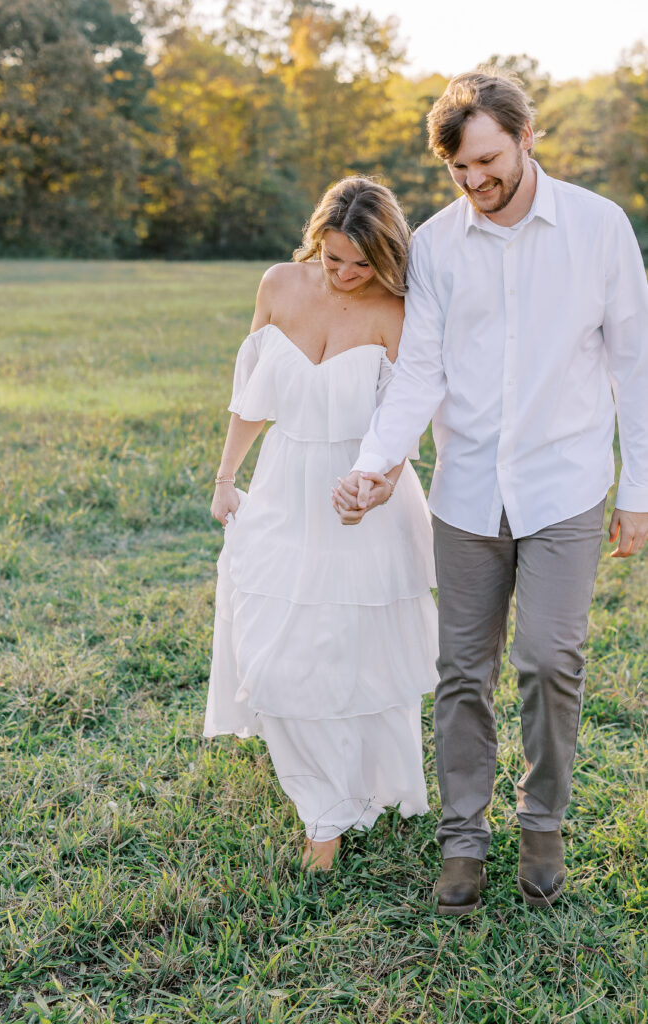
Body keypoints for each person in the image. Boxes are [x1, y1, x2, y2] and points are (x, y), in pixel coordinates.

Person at [333, 70, 648, 913]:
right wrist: (375, 461)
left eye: (485, 160)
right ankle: (462, 841)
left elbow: (634, 364)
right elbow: (419, 374)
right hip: (467, 491)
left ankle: (541, 825)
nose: (474, 182)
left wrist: (639, 491)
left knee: (550, 659)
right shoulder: (436, 245)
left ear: (524, 135)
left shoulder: (597, 227)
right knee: (461, 673)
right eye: (457, 170)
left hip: (566, 486)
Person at [204, 177, 439, 870]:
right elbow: (252, 396)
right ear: (318, 240)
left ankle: (328, 816)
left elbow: (403, 422)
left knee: (349, 657)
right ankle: (324, 796)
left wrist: (374, 485)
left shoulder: (397, 310)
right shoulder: (279, 284)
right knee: (272, 655)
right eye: (333, 258)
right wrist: (226, 478)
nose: (344, 275)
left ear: (386, 255)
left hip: (360, 494)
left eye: (360, 264)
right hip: (282, 483)